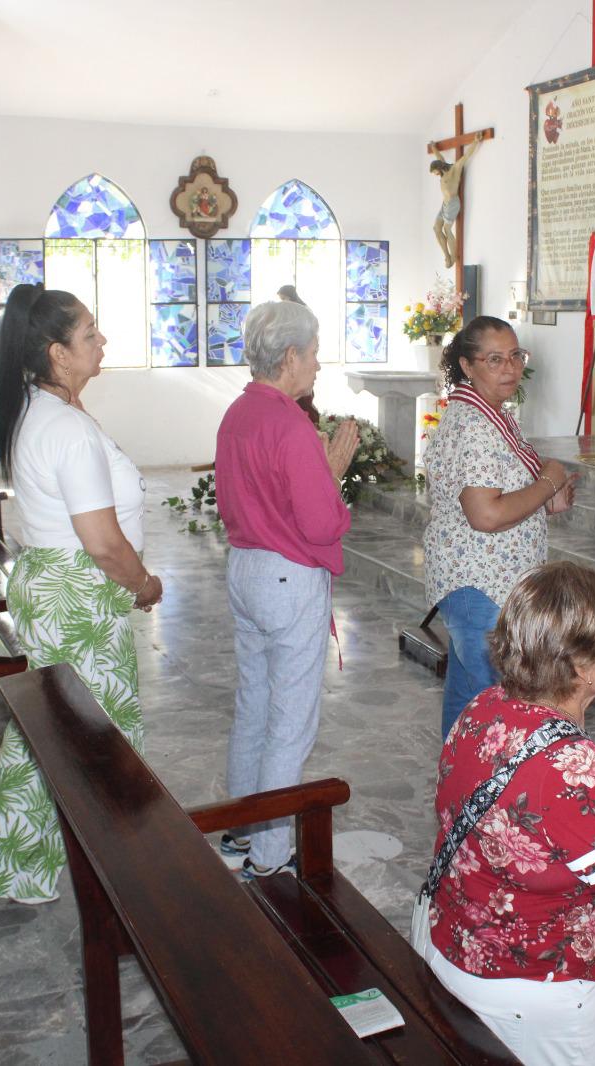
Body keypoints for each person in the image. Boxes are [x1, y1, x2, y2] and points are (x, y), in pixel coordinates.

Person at [422, 561, 595, 1066]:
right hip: (528, 993)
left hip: (447, 941)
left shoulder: (484, 708)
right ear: (583, 667)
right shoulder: (577, 773)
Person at [0, 283, 161, 905]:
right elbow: (102, 540)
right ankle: (109, 863)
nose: (101, 341)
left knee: (57, 728)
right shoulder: (65, 427)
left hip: (58, 586)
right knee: (92, 735)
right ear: (57, 352)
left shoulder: (39, 408)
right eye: (89, 334)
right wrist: (143, 584)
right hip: (81, 588)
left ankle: (21, 865)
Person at [215, 300, 356, 878]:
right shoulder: (291, 426)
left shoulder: (238, 413)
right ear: (291, 355)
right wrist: (333, 476)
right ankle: (270, 857)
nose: (319, 365)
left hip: (246, 568)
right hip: (286, 578)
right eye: (316, 352)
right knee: (290, 722)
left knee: (253, 707)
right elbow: (322, 524)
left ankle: (239, 831)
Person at [423, 316, 575, 739]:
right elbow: (485, 515)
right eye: (494, 359)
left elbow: (503, 493)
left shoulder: (491, 413)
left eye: (515, 356)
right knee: (496, 706)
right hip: (482, 584)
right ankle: (487, 799)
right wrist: (548, 481)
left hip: (483, 580)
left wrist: (545, 496)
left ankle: (459, 792)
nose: (509, 368)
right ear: (468, 366)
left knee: (468, 697)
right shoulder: (475, 424)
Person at [428, 136, 483, 269]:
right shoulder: (442, 171)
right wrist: (434, 147)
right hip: (444, 204)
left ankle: (453, 257)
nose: (436, 175)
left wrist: (475, 141)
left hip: (453, 203)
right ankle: (446, 255)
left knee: (447, 229)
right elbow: (439, 156)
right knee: (436, 228)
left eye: (435, 172)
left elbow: (466, 156)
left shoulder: (454, 170)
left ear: (439, 169)